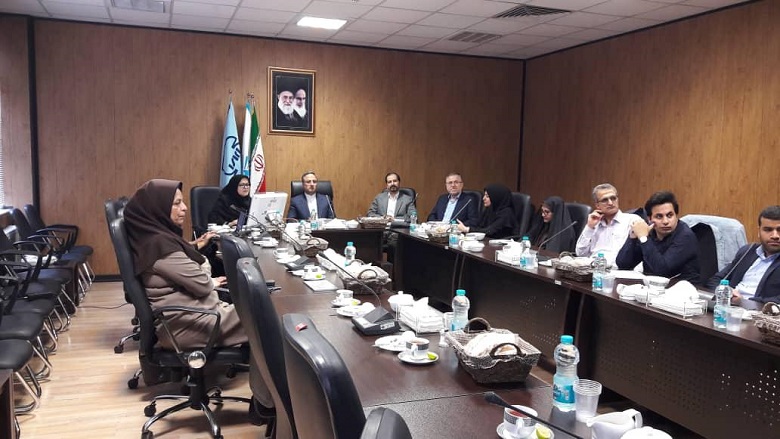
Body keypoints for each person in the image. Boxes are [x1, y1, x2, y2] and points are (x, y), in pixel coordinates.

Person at [123, 179, 274, 424]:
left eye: (182, 202)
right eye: (176, 203)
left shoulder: (153, 237)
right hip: (189, 324)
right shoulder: (160, 247)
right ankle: (265, 403)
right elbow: (203, 283)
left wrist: (196, 252)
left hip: (192, 315)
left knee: (260, 310)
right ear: (157, 209)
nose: (184, 208)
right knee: (267, 317)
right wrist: (203, 266)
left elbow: (191, 270)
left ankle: (265, 398)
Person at [616, 191, 700, 283]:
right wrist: (633, 237)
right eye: (659, 216)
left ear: (676, 216)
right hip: (652, 287)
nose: (665, 221)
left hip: (683, 288)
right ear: (649, 219)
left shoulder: (685, 236)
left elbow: (661, 271)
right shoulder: (650, 231)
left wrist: (644, 238)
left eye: (670, 215)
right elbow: (623, 265)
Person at [706, 205, 780, 304]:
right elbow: (715, 280)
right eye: (768, 230)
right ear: (759, 231)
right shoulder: (747, 251)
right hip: (729, 306)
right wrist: (728, 293)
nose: (775, 236)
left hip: (760, 311)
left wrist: (744, 302)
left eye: (779, 230)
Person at [575, 183, 643, 265]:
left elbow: (642, 254)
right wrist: (589, 227)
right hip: (594, 269)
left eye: (613, 198)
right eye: (605, 200)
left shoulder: (633, 220)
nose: (610, 203)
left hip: (620, 269)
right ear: (597, 205)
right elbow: (580, 253)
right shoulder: (594, 224)